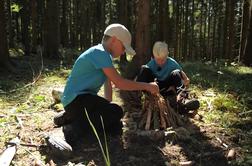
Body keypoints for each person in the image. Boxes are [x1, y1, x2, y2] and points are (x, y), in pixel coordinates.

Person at [53, 24, 159, 146]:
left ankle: (70, 117)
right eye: (123, 47)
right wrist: (147, 86)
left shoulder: (104, 56)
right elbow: (120, 83)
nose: (123, 51)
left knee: (115, 119)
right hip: (77, 100)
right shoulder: (99, 53)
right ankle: (74, 129)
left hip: (80, 101)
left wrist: (107, 108)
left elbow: (108, 87)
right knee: (115, 113)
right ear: (114, 40)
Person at [136, 41, 199, 114]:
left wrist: (185, 81)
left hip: (167, 87)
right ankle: (138, 97)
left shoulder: (172, 63)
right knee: (144, 69)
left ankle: (183, 100)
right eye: (158, 60)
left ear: (167, 55)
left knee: (176, 72)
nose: (160, 62)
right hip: (154, 87)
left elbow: (185, 77)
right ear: (153, 56)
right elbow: (142, 75)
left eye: (163, 60)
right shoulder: (151, 64)